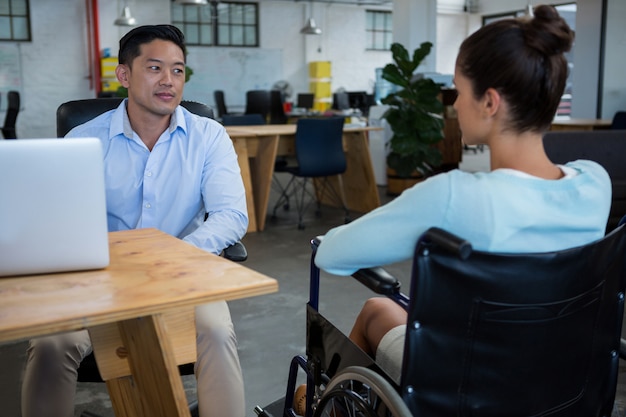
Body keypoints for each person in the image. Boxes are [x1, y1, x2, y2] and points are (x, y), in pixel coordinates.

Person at [314, 5, 611, 386]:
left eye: (458, 90)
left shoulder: (454, 196)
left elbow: (332, 254)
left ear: (489, 102)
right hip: (565, 380)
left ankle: (317, 400)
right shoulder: (595, 183)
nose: (453, 104)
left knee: (376, 309)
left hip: (471, 386)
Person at [21, 25, 249, 417]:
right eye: (155, 68)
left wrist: (172, 256)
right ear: (124, 75)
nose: (169, 81)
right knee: (50, 344)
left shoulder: (208, 136)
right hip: (100, 280)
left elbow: (231, 215)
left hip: (182, 276)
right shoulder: (82, 140)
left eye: (178, 70)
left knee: (216, 331)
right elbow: (58, 225)